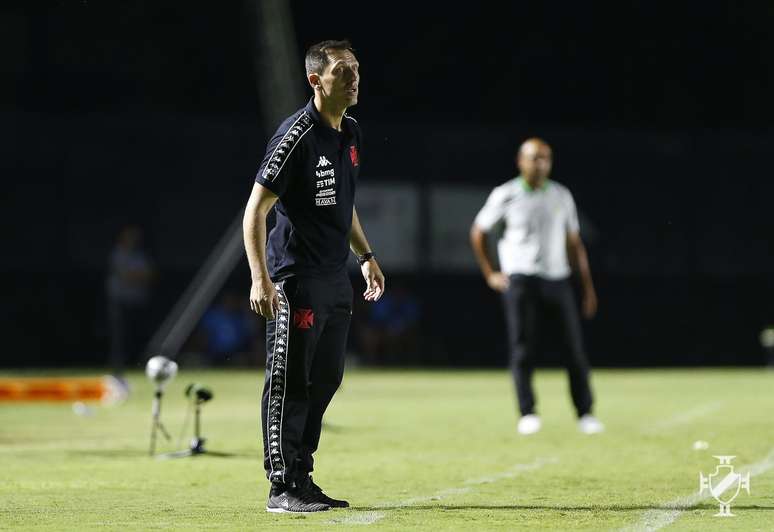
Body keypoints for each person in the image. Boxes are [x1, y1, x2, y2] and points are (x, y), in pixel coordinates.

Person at [243, 40, 385, 513]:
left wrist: (365, 256)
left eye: (356, 69)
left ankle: (303, 477)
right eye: (343, 70)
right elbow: (255, 212)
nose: (354, 77)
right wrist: (260, 279)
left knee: (326, 378)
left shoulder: (351, 134)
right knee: (290, 380)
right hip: (295, 278)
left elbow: (344, 205)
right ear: (315, 80)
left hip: (335, 278)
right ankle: (281, 485)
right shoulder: (295, 137)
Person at [469, 138, 604, 436]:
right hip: (521, 279)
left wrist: (588, 288)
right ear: (521, 161)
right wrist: (491, 273)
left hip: (557, 279)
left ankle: (585, 413)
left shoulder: (561, 194)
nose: (540, 163)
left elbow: (574, 243)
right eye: (534, 158)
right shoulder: (506, 194)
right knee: (523, 348)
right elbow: (479, 232)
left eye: (545, 158)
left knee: (574, 348)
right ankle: (527, 412)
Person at [106, 224, 155, 377]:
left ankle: (139, 365)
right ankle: (118, 368)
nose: (133, 238)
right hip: (119, 301)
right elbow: (125, 276)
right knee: (120, 336)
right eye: (130, 235)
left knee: (137, 334)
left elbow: (151, 276)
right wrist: (138, 275)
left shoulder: (139, 255)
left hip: (137, 300)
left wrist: (136, 275)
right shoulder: (117, 254)